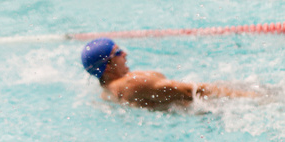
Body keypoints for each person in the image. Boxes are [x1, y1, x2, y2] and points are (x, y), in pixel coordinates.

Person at [81, 37, 259, 110]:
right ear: (109, 66)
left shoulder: (106, 93)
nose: (125, 54)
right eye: (118, 53)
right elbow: (192, 91)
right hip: (214, 107)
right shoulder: (132, 83)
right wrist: (250, 96)